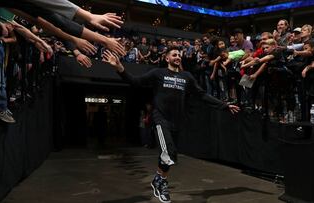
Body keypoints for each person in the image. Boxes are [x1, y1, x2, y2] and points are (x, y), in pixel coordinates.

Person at [102, 46, 239, 203]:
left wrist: (224, 105)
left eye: (179, 55)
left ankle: (158, 180)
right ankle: (162, 183)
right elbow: (135, 82)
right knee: (168, 150)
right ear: (167, 58)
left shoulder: (187, 76)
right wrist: (120, 68)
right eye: (174, 55)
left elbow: (202, 95)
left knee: (171, 156)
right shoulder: (158, 73)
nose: (178, 57)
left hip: (177, 121)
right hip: (161, 119)